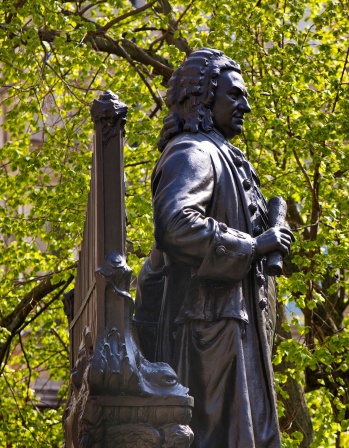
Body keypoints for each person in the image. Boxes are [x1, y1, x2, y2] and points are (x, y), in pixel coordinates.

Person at [147, 48, 293, 448]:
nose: (246, 104)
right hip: (210, 338)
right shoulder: (193, 152)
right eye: (235, 95)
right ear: (203, 100)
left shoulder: (225, 154)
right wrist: (253, 244)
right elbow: (175, 225)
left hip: (236, 334)